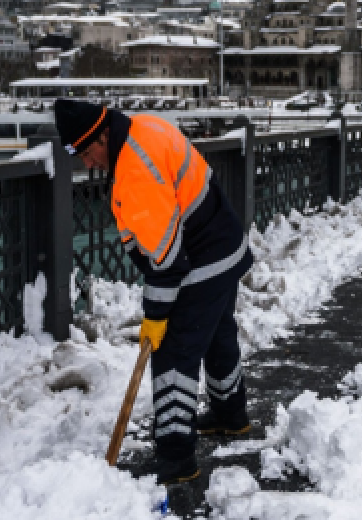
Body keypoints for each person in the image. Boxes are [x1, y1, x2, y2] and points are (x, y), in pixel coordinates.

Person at [55, 99, 254, 485]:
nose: (88, 164)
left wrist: (156, 317)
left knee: (174, 353)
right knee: (216, 336)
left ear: (102, 136)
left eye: (85, 152)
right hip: (225, 244)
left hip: (202, 261)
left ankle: (175, 458)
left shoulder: (133, 171)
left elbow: (168, 262)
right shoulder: (144, 126)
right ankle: (232, 417)